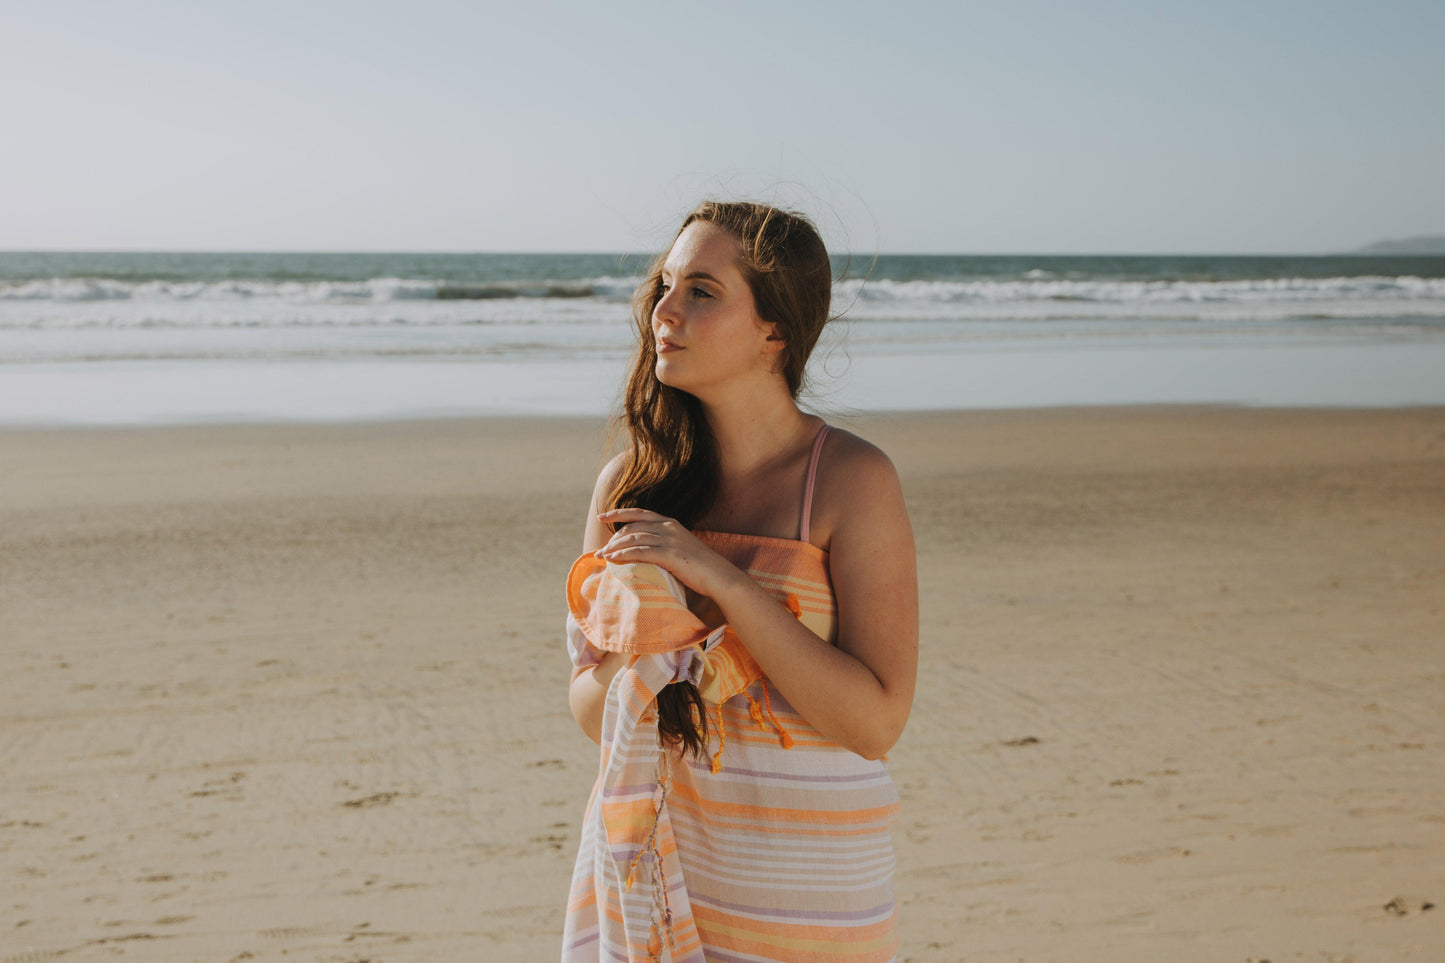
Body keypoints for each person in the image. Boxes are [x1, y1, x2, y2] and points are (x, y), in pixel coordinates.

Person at [562, 200, 918, 962]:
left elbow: (875, 721)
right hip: (654, 877)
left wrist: (718, 578)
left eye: (701, 291)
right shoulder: (630, 486)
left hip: (811, 901)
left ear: (774, 330)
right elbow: (592, 707)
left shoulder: (851, 481)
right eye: (665, 285)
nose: (665, 310)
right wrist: (655, 644)